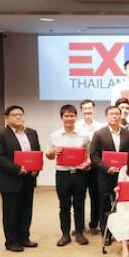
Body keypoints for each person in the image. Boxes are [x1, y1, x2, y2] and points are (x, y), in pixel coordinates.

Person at [0, 105, 41, 252]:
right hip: (10, 180)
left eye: (21, 114)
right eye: (14, 114)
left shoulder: (32, 133)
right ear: (7, 118)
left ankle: (24, 237)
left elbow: (37, 152)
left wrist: (37, 167)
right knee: (11, 212)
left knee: (26, 210)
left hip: (29, 178)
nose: (18, 117)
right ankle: (11, 241)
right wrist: (17, 169)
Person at [45, 104, 91, 247]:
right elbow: (48, 155)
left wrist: (87, 163)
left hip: (79, 174)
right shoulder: (55, 135)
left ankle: (79, 233)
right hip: (62, 174)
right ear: (62, 117)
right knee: (64, 205)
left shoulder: (84, 135)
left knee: (79, 204)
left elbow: (89, 155)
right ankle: (65, 234)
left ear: (75, 117)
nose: (69, 118)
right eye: (66, 116)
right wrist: (53, 153)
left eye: (72, 116)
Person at [89, 105, 129, 237]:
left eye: (117, 114)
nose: (114, 116)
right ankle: (106, 233)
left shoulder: (128, 134)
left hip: (123, 175)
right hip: (105, 175)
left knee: (123, 204)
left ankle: (122, 232)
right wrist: (107, 168)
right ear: (106, 116)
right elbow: (94, 156)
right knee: (105, 205)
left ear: (121, 116)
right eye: (111, 114)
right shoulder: (99, 134)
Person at [76, 99, 104, 235]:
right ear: (81, 110)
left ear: (94, 109)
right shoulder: (76, 126)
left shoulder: (100, 126)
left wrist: (92, 162)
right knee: (79, 197)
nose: (87, 111)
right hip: (80, 166)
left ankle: (94, 224)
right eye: (85, 108)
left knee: (95, 196)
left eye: (90, 108)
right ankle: (79, 227)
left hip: (95, 166)